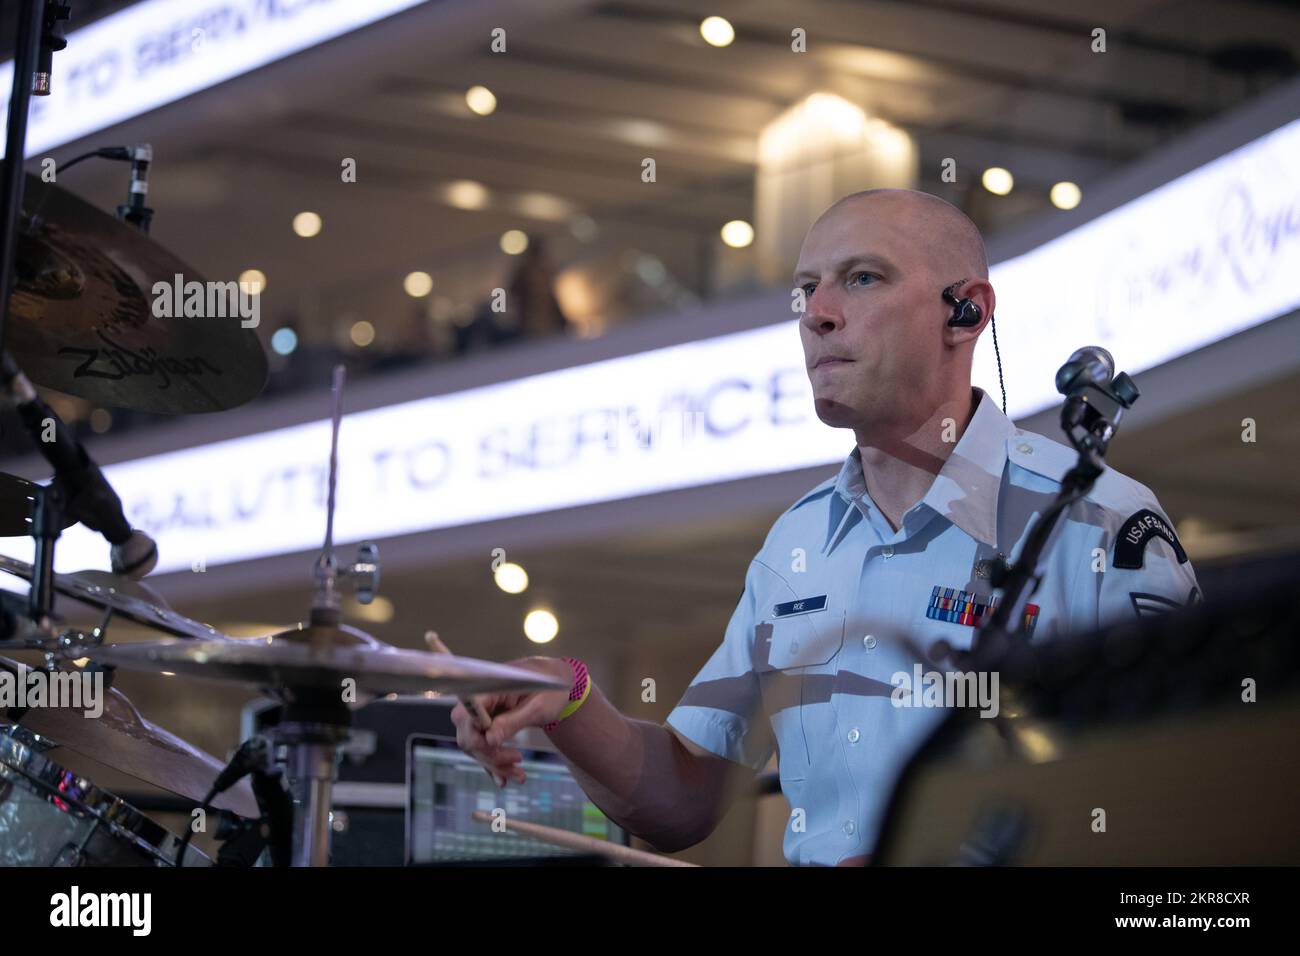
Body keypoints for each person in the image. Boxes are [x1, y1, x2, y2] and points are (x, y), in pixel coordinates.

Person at [450, 189, 1201, 865]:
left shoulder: (1098, 522)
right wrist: (569, 698)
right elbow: (686, 793)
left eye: (862, 278)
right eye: (806, 289)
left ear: (965, 310)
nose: (817, 312)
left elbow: (1182, 802)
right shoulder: (796, 543)